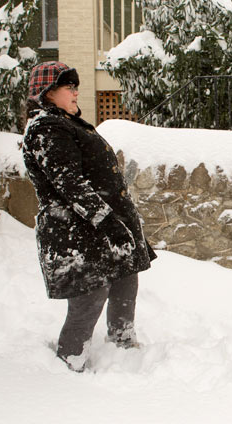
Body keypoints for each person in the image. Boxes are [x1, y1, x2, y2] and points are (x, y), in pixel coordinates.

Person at [22, 61, 157, 372]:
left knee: (125, 279)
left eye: (75, 86)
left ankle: (123, 347)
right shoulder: (46, 128)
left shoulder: (68, 123)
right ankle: (71, 361)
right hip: (77, 230)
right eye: (68, 86)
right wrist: (106, 220)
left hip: (103, 224)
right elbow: (68, 182)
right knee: (90, 296)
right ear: (47, 93)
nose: (76, 92)